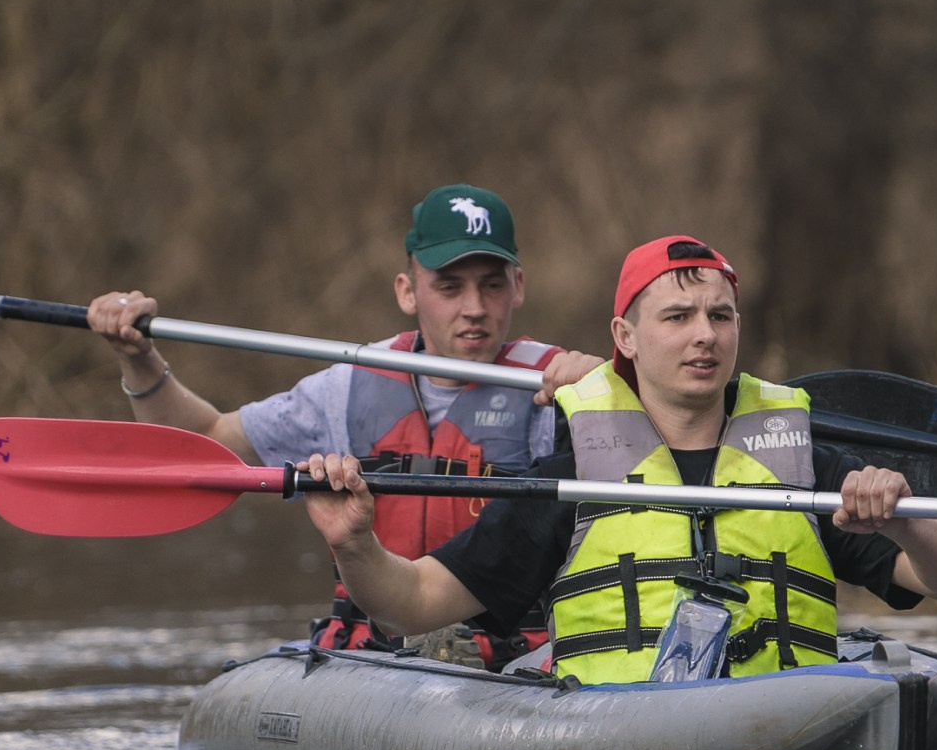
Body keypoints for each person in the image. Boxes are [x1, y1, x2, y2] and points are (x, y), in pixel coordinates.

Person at [301, 232, 937, 674]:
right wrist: (354, 544)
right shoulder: (570, 480)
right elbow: (414, 603)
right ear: (625, 337)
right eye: (678, 317)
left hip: (790, 732)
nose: (705, 336)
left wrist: (903, 521)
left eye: (720, 316)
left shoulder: (806, 465)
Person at [86, 184, 600, 657]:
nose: (475, 308)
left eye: (492, 285)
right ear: (407, 291)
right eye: (449, 287)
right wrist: (139, 359)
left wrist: (609, 398)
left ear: (518, 286)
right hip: (372, 656)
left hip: (510, 661)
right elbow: (204, 442)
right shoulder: (348, 386)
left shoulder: (564, 390)